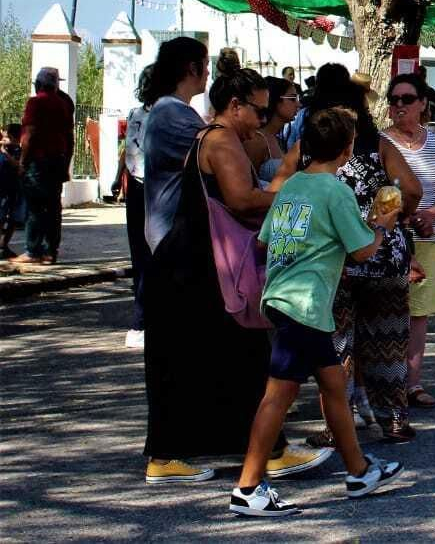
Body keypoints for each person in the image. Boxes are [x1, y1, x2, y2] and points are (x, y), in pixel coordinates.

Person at [144, 51, 323, 484]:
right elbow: (241, 200)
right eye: (258, 110)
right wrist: (290, 191)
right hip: (194, 268)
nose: (262, 120)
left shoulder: (218, 137)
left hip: (194, 266)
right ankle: (264, 451)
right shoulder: (221, 139)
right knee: (238, 357)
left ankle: (191, 453)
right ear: (235, 105)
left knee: (205, 362)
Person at [230, 107, 404, 516]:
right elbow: (362, 250)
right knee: (277, 397)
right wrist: (382, 225)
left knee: (332, 385)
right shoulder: (335, 190)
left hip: (284, 298)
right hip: (305, 304)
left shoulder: (291, 187)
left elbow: (265, 240)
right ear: (346, 151)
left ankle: (359, 470)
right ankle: (248, 488)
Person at [270, 64, 423, 444]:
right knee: (388, 336)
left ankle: (340, 424)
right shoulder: (379, 144)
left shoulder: (307, 151)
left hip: (334, 261)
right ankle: (394, 420)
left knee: (337, 345)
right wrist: (391, 215)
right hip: (384, 255)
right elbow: (414, 189)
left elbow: (277, 191)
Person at [380, 73, 435, 409]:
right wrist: (404, 216)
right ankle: (385, 383)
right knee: (388, 311)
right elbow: (376, 193)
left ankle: (413, 382)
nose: (399, 106)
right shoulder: (382, 142)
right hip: (393, 237)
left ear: (422, 103)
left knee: (419, 313)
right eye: (393, 99)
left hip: (430, 236)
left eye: (406, 99)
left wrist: (433, 211)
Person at [17, 67, 74, 264]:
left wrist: (22, 162)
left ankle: (33, 250)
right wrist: (66, 162)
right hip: (57, 160)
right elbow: (69, 137)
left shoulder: (35, 102)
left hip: (39, 161)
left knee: (35, 206)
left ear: (38, 83)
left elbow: (29, 134)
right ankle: (51, 251)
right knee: (53, 206)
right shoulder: (63, 104)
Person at [122, 70, 154, 349]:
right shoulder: (164, 116)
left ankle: (141, 320)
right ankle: (140, 322)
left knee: (140, 256)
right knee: (149, 255)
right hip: (151, 187)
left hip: (135, 185)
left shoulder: (135, 114)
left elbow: (128, 149)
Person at [246, 76, 298, 186]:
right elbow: (249, 184)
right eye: (292, 99)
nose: (298, 104)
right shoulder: (256, 140)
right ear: (275, 100)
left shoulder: (277, 138)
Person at [0, 123, 22, 259]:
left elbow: (18, 165)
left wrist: (5, 153)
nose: (3, 139)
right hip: (2, 189)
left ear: (14, 138)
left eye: (6, 137)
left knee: (14, 219)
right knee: (0, 218)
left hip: (14, 189)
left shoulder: (18, 151)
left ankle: (4, 244)